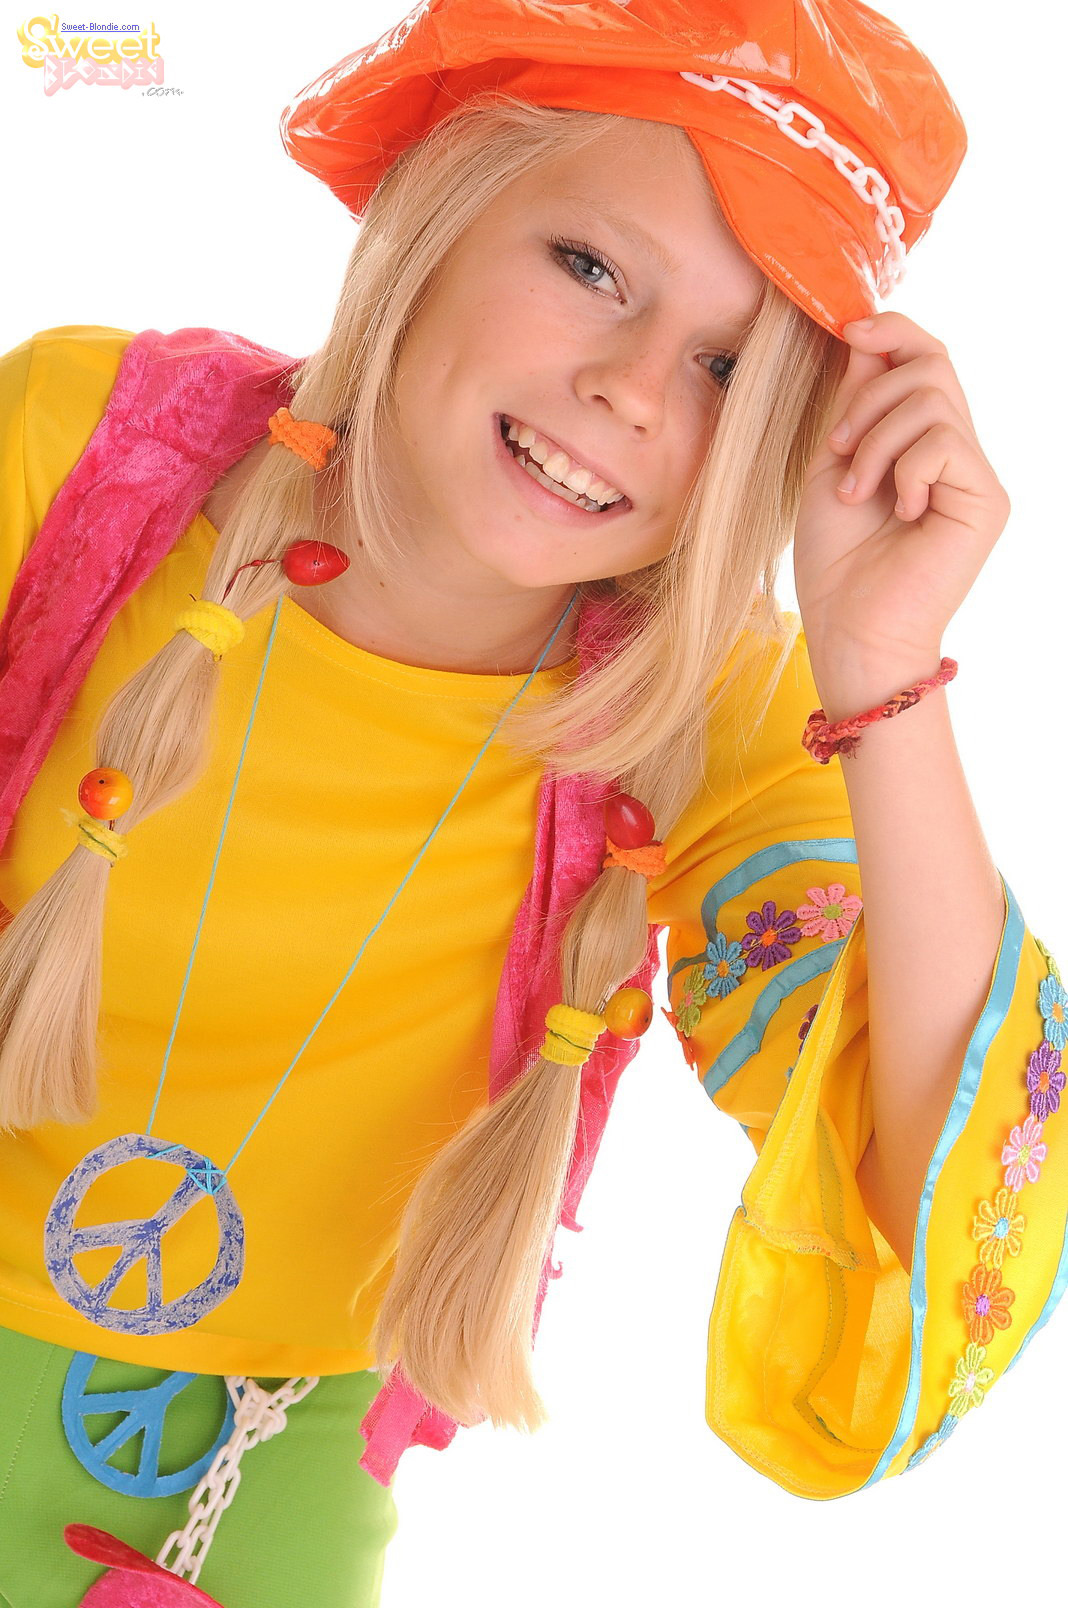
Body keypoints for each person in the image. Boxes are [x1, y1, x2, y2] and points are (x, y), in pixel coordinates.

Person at [0, 1, 1065, 1604]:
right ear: (439, 205)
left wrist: (888, 668)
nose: (632, 390)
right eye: (590, 267)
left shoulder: (714, 718)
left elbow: (943, 1167)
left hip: (254, 1491)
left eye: (729, 367)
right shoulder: (79, 448)